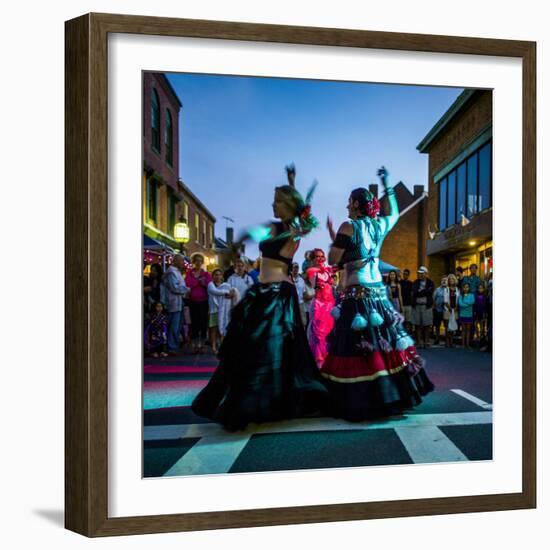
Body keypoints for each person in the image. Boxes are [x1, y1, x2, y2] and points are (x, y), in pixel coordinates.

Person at [192, 164, 329, 430]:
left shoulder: (291, 230)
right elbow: (250, 234)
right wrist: (235, 243)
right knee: (250, 348)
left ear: (289, 204)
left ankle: (266, 402)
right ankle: (254, 400)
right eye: (273, 201)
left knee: (271, 350)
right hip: (262, 293)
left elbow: (300, 218)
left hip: (278, 295)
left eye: (278, 201)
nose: (273, 205)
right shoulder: (273, 227)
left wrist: (292, 184)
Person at [322, 166, 434, 421]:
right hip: (378, 294)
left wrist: (336, 244)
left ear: (356, 205)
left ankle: (363, 398)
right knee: (386, 344)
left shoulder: (348, 226)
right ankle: (393, 394)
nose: (346, 206)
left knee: (357, 347)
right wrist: (387, 183)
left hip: (356, 293)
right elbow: (393, 211)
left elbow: (333, 258)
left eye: (349, 202)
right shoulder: (380, 224)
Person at [305, 248, 336, 367]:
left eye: (322, 256)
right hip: (319, 305)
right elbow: (314, 272)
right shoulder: (312, 271)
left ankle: (329, 359)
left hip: (329, 305)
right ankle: (318, 362)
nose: (320, 258)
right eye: (317, 256)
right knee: (318, 334)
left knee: (329, 332)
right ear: (312, 259)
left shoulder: (327, 271)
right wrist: (327, 268)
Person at [162, 254, 190, 354]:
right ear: (176, 261)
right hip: (173, 302)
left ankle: (175, 345)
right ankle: (172, 347)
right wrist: (187, 290)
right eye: (182, 261)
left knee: (178, 325)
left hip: (179, 302)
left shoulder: (177, 272)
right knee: (173, 325)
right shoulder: (172, 272)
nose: (183, 263)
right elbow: (174, 287)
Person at [185, 253, 212, 354]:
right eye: (196, 260)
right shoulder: (189, 273)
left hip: (204, 302)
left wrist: (201, 283)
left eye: (200, 261)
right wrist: (198, 282)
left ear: (202, 262)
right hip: (193, 302)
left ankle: (202, 345)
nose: (198, 262)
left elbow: (209, 286)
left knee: (203, 323)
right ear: (193, 262)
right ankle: (195, 346)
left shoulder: (206, 274)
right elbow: (188, 284)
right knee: (194, 324)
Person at [207, 269, 235, 354]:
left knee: (222, 329)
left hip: (223, 310)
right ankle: (214, 347)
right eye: (216, 274)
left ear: (222, 276)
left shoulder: (226, 285)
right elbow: (215, 292)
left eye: (219, 275)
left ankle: (221, 346)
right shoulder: (210, 284)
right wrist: (226, 292)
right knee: (214, 329)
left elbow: (231, 294)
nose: (218, 276)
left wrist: (230, 294)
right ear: (213, 276)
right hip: (214, 310)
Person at [411, 266, 435, 349]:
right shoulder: (415, 282)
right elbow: (415, 292)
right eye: (419, 273)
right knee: (417, 325)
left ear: (426, 274)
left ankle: (426, 342)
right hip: (417, 306)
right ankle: (419, 342)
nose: (420, 275)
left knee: (427, 325)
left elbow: (430, 292)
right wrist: (424, 292)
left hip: (426, 306)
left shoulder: (430, 282)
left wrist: (420, 292)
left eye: (422, 273)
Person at [289, 262, 308, 326]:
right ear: (291, 268)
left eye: (297, 267)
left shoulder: (301, 280)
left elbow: (304, 292)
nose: (295, 269)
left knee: (303, 322)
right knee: (292, 322)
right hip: (291, 304)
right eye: (294, 267)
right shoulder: (288, 279)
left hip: (300, 303)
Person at [444, 274, 460, 347]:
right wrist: (450, 308)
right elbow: (445, 301)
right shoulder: (446, 289)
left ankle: (451, 342)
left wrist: (456, 307)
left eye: (452, 279)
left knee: (453, 326)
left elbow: (458, 299)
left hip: (455, 309)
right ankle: (447, 342)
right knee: (447, 327)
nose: (451, 280)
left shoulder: (457, 289)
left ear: (455, 280)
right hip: (447, 309)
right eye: (450, 279)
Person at [458, 282, 475, 349]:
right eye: (464, 287)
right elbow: (460, 304)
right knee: (463, 330)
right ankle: (463, 344)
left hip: (469, 315)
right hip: (462, 314)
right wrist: (467, 304)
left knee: (468, 330)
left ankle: (467, 344)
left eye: (467, 287)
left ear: (469, 288)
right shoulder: (460, 296)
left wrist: (465, 302)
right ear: (462, 288)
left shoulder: (471, 295)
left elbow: (472, 302)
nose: (466, 288)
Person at [432, 276, 448, 346]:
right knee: (437, 325)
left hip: (446, 310)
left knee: (446, 326)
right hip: (438, 310)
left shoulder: (449, 290)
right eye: (442, 280)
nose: (444, 281)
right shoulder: (437, 290)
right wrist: (435, 307)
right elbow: (433, 299)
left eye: (445, 280)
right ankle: (437, 339)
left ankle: (446, 340)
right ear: (441, 281)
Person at [399, 268, 414, 332]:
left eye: (406, 274)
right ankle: (403, 332)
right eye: (404, 274)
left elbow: (412, 294)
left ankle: (408, 332)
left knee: (408, 320)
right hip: (402, 304)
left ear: (408, 275)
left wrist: (412, 303)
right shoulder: (400, 282)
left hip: (409, 304)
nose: (405, 275)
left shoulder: (411, 283)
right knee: (402, 320)